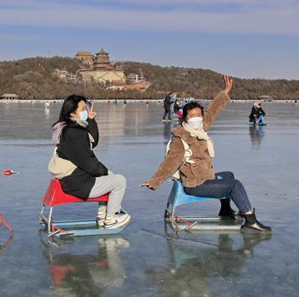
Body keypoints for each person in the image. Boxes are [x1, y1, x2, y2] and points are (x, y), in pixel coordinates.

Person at [141, 75, 271, 232]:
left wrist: (225, 92)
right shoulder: (181, 137)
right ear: (185, 118)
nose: (196, 118)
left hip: (203, 177)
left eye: (198, 115)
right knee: (234, 185)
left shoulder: (200, 128)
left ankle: (225, 210)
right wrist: (155, 181)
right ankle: (250, 221)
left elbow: (212, 110)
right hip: (195, 184)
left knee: (228, 175)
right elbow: (171, 162)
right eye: (192, 116)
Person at [49, 95, 130, 229]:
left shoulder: (72, 128)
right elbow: (87, 161)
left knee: (110, 175)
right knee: (120, 181)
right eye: (82, 109)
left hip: (74, 178)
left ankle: (102, 215)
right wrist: (103, 171)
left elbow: (92, 141)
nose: (85, 111)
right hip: (77, 183)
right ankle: (111, 217)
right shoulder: (73, 133)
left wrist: (91, 120)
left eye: (85, 108)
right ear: (72, 113)